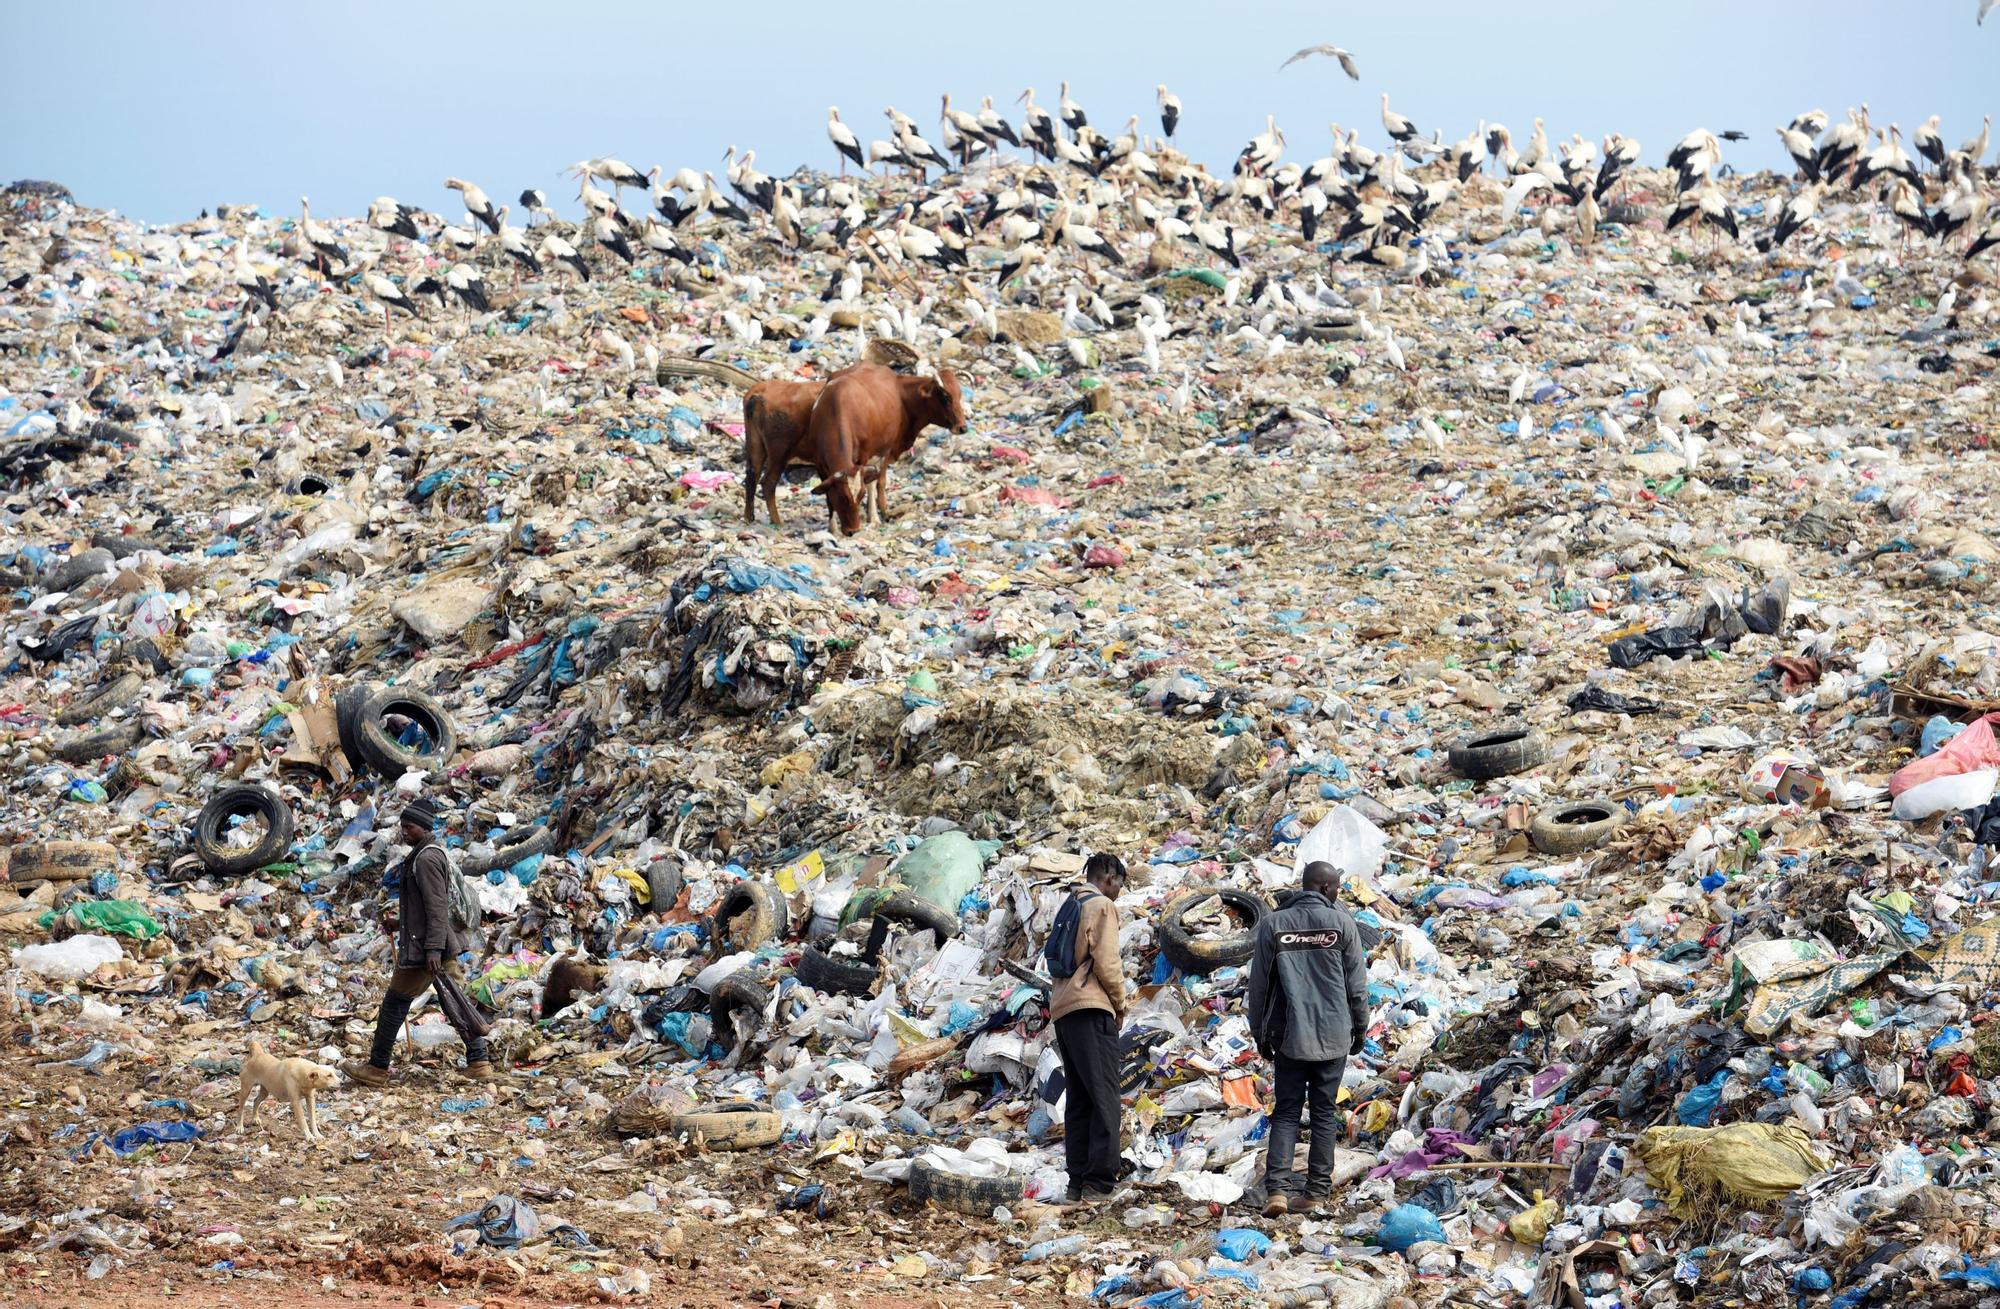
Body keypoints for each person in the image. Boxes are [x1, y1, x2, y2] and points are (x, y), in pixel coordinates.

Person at [1247, 859, 1369, 1218]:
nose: (1337, 894)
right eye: (1336, 889)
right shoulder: (1342, 924)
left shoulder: (1273, 925)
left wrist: (1259, 1032)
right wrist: (1359, 1029)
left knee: (1285, 1112)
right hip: (1333, 1035)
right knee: (1323, 1113)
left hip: (1289, 1036)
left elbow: (1258, 987)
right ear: (1325, 888)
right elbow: (1357, 987)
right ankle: (1316, 1193)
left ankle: (1278, 1193)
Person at [341, 798, 492, 1086]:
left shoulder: (425, 859)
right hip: (435, 942)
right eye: (402, 826)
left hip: (427, 948)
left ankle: (377, 1067)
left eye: (408, 827)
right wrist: (400, 923)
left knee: (394, 1003)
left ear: (423, 827)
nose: (404, 832)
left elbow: (436, 907)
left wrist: (432, 949)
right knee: (454, 1000)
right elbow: (426, 908)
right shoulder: (428, 854)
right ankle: (479, 1061)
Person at [1049, 852, 1129, 1204]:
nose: (1119, 894)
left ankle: (1077, 1182)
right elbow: (1108, 962)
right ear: (1109, 877)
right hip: (1091, 1007)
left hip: (1064, 1010)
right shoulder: (1101, 906)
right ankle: (1099, 1183)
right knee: (1105, 1096)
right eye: (1120, 885)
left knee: (1080, 1098)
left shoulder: (1071, 902)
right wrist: (1120, 1003)